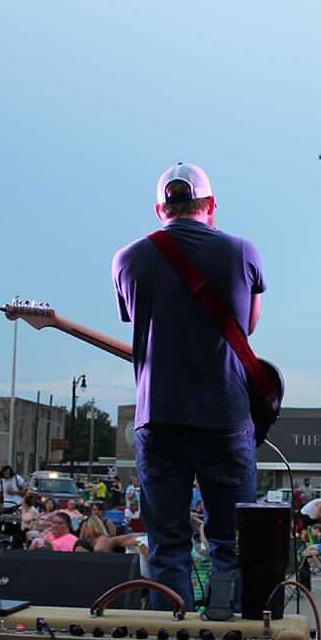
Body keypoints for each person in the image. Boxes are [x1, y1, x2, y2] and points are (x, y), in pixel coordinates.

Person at [112, 162, 265, 610]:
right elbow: (248, 327)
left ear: (160, 209)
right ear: (211, 204)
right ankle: (228, 637)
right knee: (230, 543)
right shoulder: (242, 251)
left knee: (167, 546)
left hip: (157, 418)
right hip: (226, 417)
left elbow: (138, 320)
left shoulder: (127, 258)